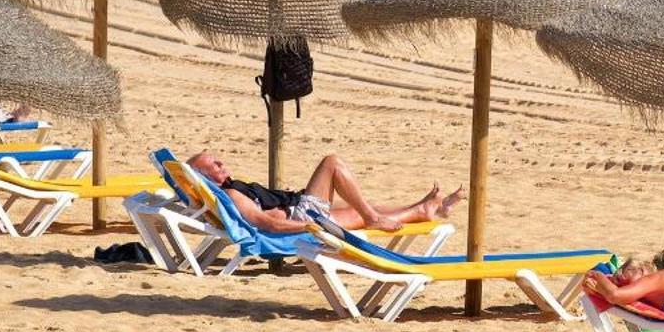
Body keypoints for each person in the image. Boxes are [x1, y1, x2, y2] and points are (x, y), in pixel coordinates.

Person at [184, 150, 462, 235]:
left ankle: (427, 210)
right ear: (206, 176)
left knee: (359, 207)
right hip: (301, 215)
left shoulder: (228, 190)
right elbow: (264, 223)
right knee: (332, 163)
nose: (222, 163)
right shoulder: (231, 195)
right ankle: (420, 210)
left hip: (300, 207)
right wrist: (310, 228)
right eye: (214, 164)